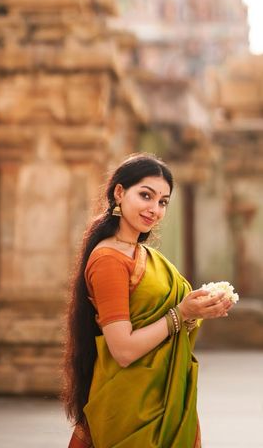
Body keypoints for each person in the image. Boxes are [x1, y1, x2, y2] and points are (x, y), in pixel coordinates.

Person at [62, 153, 233, 448]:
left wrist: (196, 312)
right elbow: (123, 349)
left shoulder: (143, 255)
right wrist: (180, 313)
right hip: (131, 406)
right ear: (119, 192)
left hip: (161, 396)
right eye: (146, 195)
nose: (154, 209)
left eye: (163, 202)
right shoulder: (109, 260)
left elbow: (164, 322)